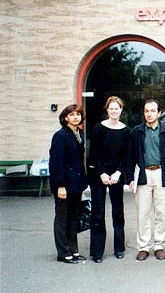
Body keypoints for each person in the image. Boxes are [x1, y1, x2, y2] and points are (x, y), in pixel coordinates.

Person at [126, 99, 165, 261]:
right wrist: (129, 178)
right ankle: (144, 246)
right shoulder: (137, 131)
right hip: (143, 174)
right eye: (147, 111)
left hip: (161, 174)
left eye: (153, 111)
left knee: (161, 212)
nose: (149, 114)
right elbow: (130, 156)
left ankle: (159, 245)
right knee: (143, 212)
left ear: (159, 113)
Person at [88, 96, 130, 263]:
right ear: (107, 110)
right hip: (100, 174)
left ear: (121, 110)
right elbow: (93, 154)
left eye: (117, 108)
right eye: (111, 108)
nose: (114, 111)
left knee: (118, 212)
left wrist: (119, 172)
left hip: (116, 175)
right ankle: (97, 252)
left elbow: (126, 155)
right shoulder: (99, 128)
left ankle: (119, 248)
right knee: (98, 213)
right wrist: (102, 173)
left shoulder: (126, 131)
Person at [49, 104, 88, 264]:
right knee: (62, 218)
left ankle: (73, 249)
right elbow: (56, 162)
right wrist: (60, 185)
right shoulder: (60, 136)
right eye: (72, 115)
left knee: (74, 218)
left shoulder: (79, 133)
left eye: (78, 114)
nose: (75, 117)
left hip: (77, 184)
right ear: (65, 118)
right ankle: (63, 252)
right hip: (64, 185)